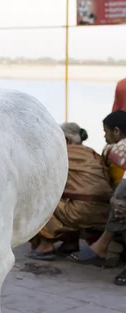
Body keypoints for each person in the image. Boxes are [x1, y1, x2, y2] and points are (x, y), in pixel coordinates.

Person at [29, 122, 113, 260]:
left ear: (66, 140)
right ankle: (70, 244)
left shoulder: (63, 153)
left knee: (38, 201)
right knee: (69, 199)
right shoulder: (92, 153)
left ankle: (45, 245)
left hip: (81, 210)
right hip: (104, 210)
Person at [70, 110, 126, 280]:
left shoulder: (118, 148)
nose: (104, 136)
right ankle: (102, 244)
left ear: (116, 131)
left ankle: (101, 245)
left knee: (119, 204)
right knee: (120, 205)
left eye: (105, 131)